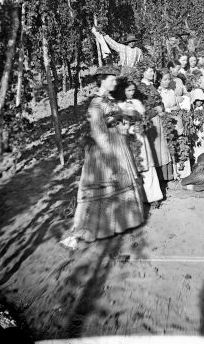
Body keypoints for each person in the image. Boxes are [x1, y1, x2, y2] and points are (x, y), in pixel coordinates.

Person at [60, 65, 145, 250]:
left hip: (118, 142)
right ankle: (99, 228)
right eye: (112, 79)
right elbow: (98, 133)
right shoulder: (96, 103)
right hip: (104, 149)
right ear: (103, 80)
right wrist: (110, 157)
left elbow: (117, 118)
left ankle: (121, 222)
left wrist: (126, 124)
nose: (115, 82)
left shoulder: (110, 100)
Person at [116, 79, 163, 206]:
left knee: (146, 163)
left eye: (133, 90)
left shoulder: (137, 102)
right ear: (122, 91)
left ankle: (153, 197)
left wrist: (142, 125)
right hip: (127, 136)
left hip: (140, 135)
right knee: (132, 165)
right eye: (128, 90)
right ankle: (135, 198)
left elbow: (144, 119)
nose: (131, 93)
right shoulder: (118, 105)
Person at [138, 63, 175, 184]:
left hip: (158, 119)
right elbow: (142, 109)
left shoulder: (151, 85)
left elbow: (159, 102)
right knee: (155, 148)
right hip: (151, 121)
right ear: (143, 72)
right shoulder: (141, 88)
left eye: (153, 71)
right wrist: (156, 111)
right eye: (150, 71)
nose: (153, 73)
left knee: (161, 147)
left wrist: (161, 108)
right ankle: (157, 179)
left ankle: (165, 177)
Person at [190, 89, 204, 160]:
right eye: (197, 100)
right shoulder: (192, 112)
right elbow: (194, 123)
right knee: (197, 146)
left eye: (201, 101)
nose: (199, 102)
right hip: (197, 132)